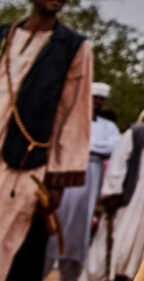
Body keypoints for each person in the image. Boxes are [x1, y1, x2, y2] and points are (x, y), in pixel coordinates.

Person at [0, 0, 93, 281]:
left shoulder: (74, 47)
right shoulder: (4, 36)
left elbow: (75, 115)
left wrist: (58, 177)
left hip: (28, 165)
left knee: (15, 244)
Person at [87, 93, 144, 281]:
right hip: (129, 197)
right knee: (118, 236)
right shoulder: (137, 132)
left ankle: (127, 274)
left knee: (142, 239)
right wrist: (112, 192)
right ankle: (102, 275)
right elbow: (118, 162)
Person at [45, 82, 116, 281]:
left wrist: (86, 146)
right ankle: (50, 263)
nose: (98, 103)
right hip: (69, 170)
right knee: (59, 217)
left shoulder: (108, 126)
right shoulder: (70, 120)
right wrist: (87, 147)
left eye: (101, 100)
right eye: (95, 98)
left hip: (92, 176)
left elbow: (111, 147)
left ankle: (71, 270)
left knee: (81, 223)